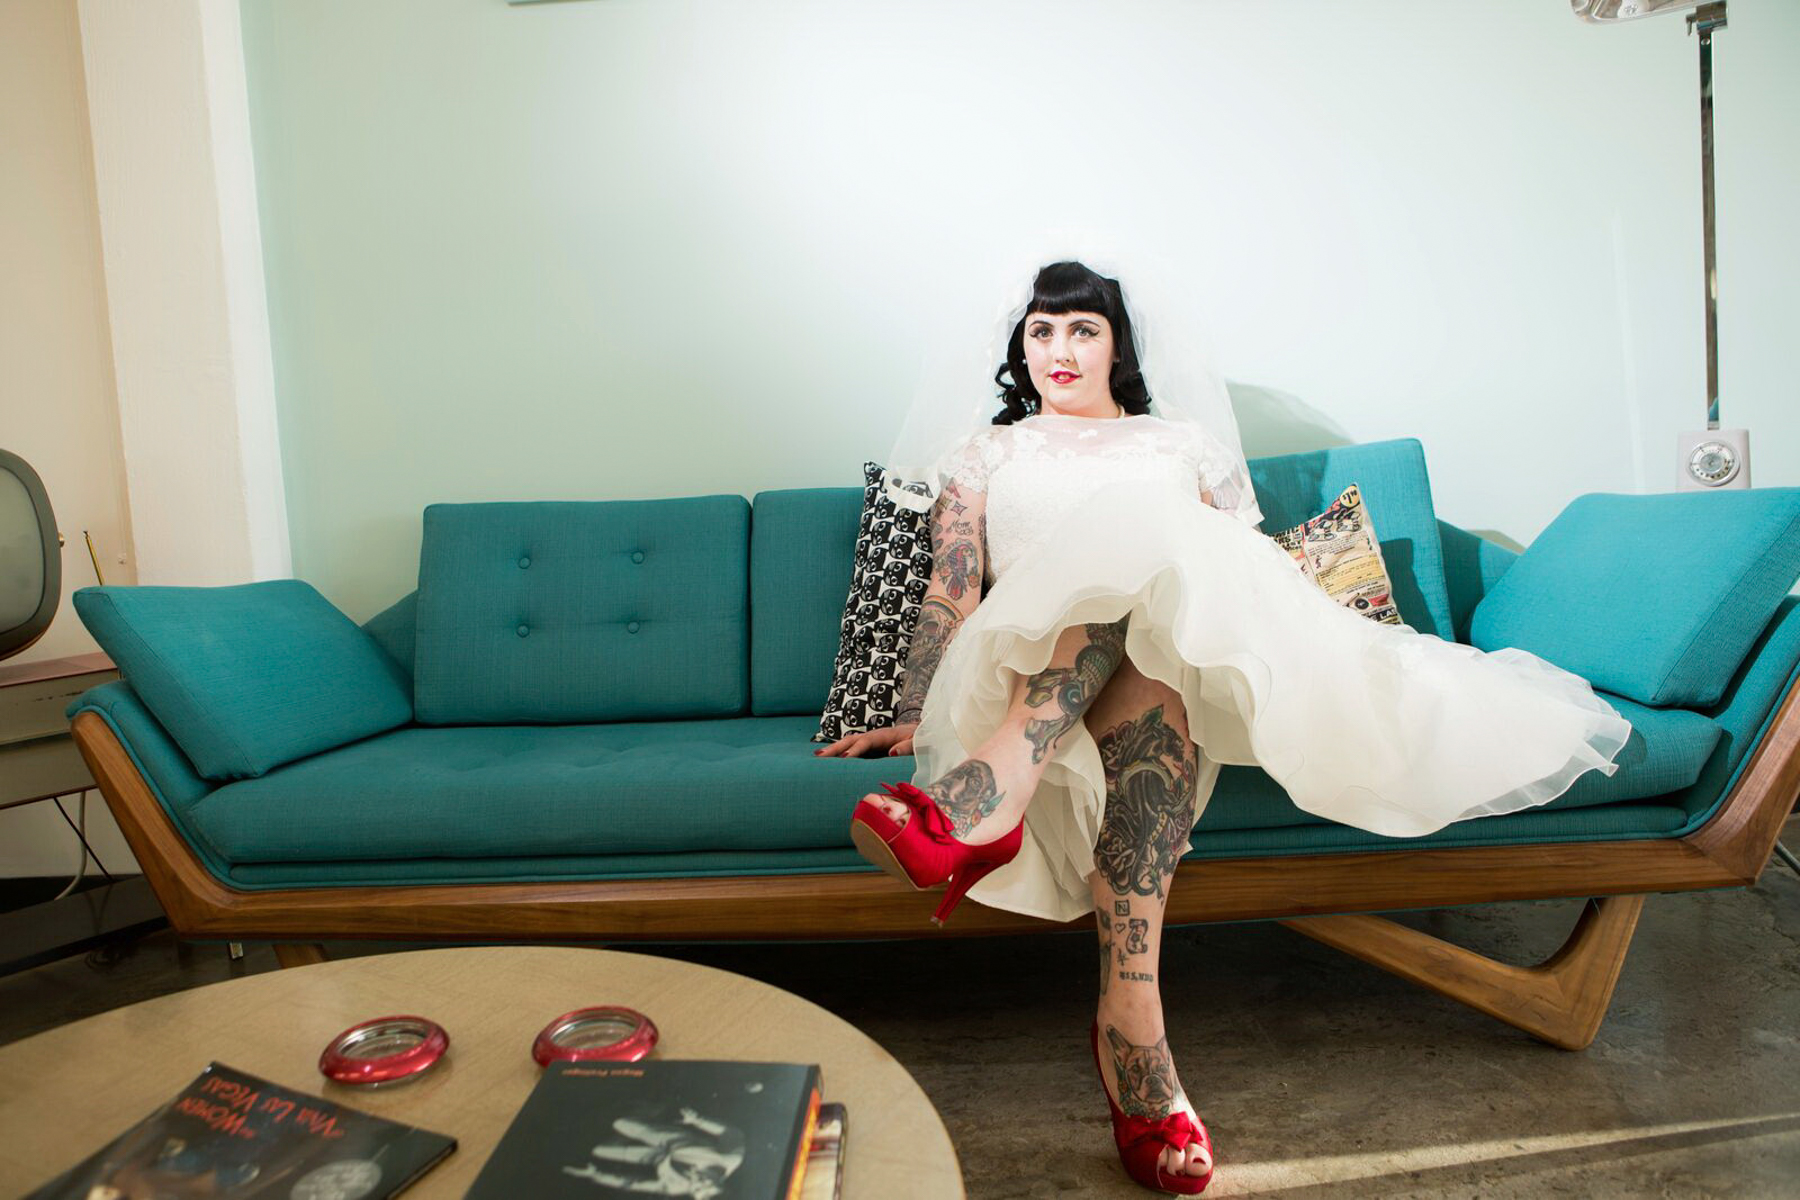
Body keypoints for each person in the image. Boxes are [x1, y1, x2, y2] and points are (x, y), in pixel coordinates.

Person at [818, 260, 1631, 1194]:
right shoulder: (986, 454)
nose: (1059, 349)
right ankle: (1133, 1034)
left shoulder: (1183, 444)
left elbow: (1237, 577)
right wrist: (913, 709)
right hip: (1023, 666)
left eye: (1082, 329)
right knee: (1137, 622)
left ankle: (987, 802)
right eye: (1041, 330)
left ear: (1119, 345)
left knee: (1151, 594)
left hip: (1183, 658)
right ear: (1021, 347)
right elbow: (952, 587)